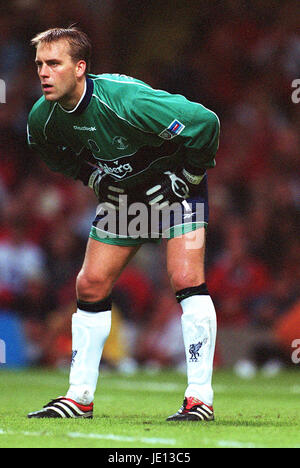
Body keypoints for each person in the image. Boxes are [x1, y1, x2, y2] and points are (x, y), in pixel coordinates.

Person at [26, 27, 220, 421]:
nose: (44, 73)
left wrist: (187, 177)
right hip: (125, 198)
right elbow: (49, 150)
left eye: (54, 64)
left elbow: (206, 122)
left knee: (185, 279)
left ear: (80, 68)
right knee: (90, 284)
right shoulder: (44, 118)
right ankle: (79, 397)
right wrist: (91, 176)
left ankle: (200, 398)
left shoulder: (126, 100)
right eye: (40, 65)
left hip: (175, 190)